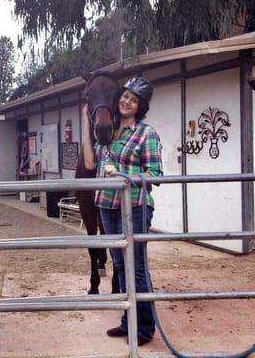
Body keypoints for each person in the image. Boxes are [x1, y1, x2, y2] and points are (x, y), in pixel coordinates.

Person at [83, 76, 163, 346]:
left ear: (140, 106)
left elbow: (155, 175)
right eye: (125, 96)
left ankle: (145, 328)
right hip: (107, 204)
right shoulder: (110, 134)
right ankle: (127, 321)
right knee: (119, 265)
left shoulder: (146, 133)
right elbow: (89, 160)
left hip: (136, 207)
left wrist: (122, 174)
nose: (127, 101)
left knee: (137, 267)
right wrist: (87, 123)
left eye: (133, 99)